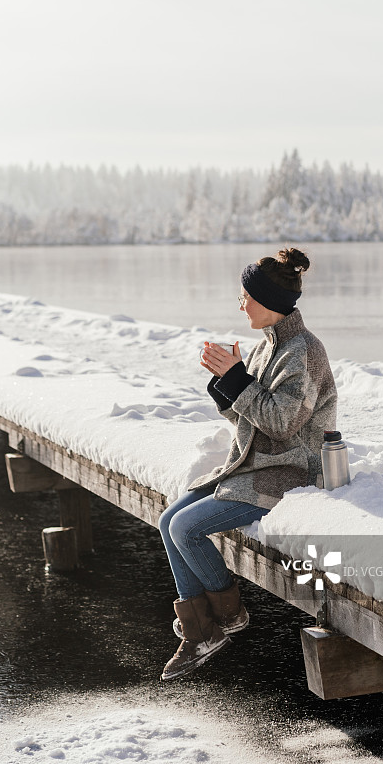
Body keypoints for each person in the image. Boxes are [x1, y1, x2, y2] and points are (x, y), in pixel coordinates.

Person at [158, 247, 337, 681]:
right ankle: (204, 630)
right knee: (168, 520)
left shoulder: (304, 353)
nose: (240, 304)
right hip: (253, 467)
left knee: (186, 528)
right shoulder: (266, 347)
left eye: (245, 296)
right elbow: (250, 417)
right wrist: (227, 387)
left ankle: (227, 615)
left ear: (268, 302)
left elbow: (281, 423)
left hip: (287, 475)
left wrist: (238, 380)